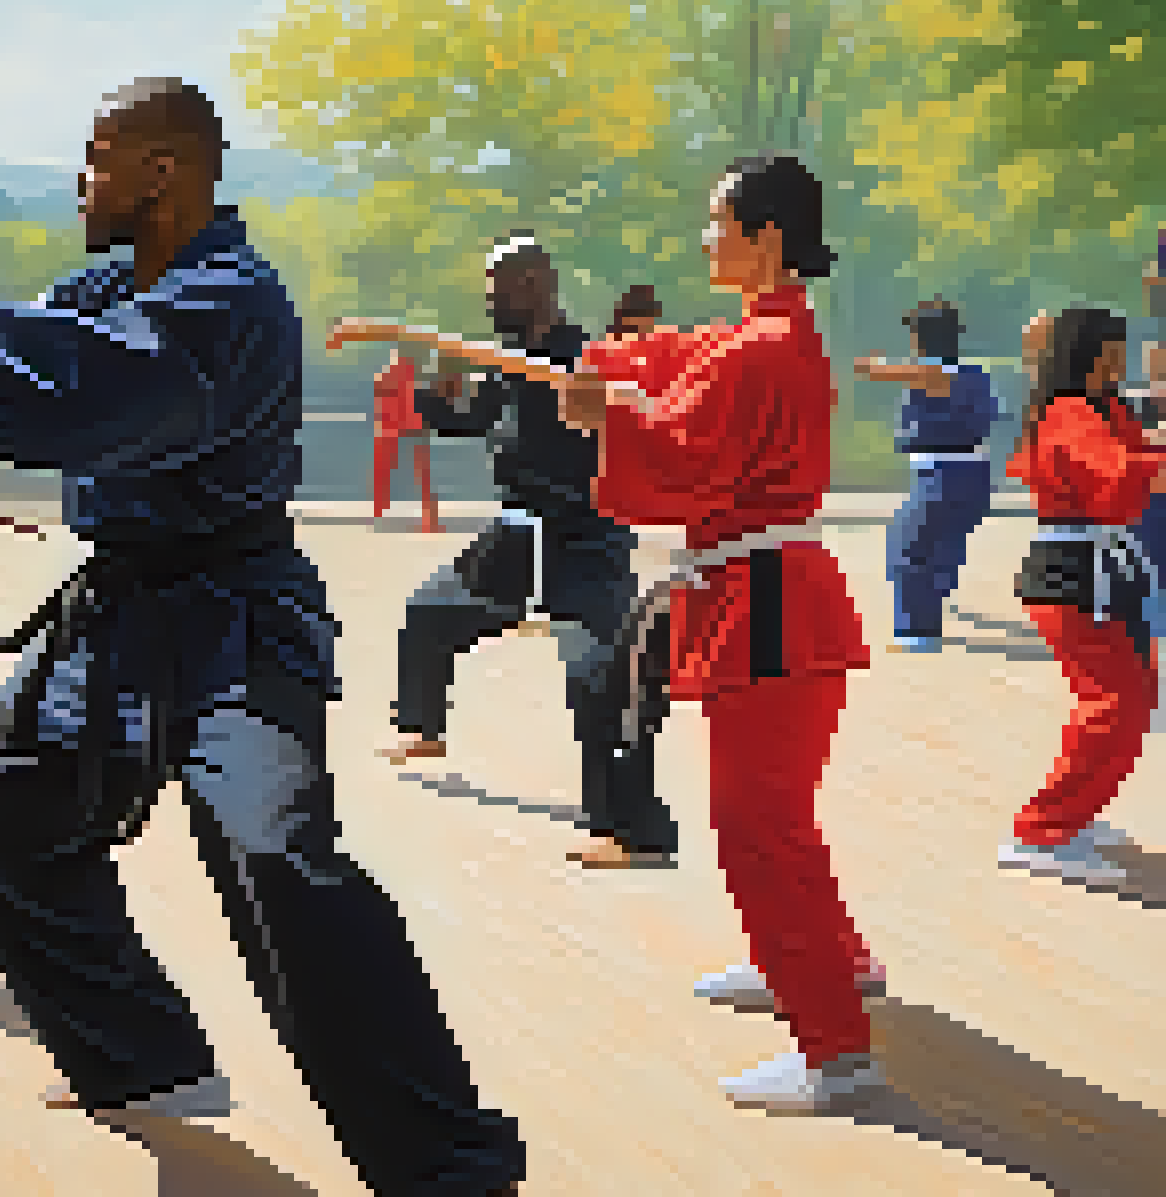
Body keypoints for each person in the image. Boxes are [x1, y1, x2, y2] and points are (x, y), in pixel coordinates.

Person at [0, 79, 524, 1195]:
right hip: (117, 612)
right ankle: (145, 1058)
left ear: (161, 172)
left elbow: (116, 393)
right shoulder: (107, 283)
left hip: (236, 619)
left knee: (275, 853)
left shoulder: (236, 298)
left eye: (96, 158)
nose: (81, 182)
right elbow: (43, 375)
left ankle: (451, 1167)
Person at [562, 154, 887, 1113]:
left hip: (769, 607)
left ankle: (834, 1049)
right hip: (767, 594)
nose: (706, 238)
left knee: (757, 822)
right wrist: (611, 367)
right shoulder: (764, 335)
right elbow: (675, 360)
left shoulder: (761, 352)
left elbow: (681, 451)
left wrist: (603, 415)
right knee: (778, 814)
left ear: (765, 238)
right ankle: (827, 962)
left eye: (718, 222)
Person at [332, 231, 667, 869]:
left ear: (536, 282)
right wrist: (431, 398)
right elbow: (474, 420)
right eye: (487, 283)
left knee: (601, 678)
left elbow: (626, 423)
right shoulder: (502, 358)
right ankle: (422, 729)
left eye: (499, 283)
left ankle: (629, 829)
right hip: (513, 536)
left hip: (584, 536)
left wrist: (594, 401)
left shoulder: (587, 357)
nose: (488, 295)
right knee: (431, 614)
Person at [999, 306, 1152, 886]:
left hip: (1101, 568)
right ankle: (1041, 830)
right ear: (1087, 352)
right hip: (1073, 571)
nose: (1121, 358)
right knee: (1114, 700)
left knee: (1129, 696)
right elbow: (1119, 473)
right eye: (1112, 348)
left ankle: (1074, 815)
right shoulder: (1069, 412)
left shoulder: (1104, 407)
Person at [854, 298, 997, 653]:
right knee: (941, 548)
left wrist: (872, 365)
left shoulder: (941, 374)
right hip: (969, 475)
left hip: (946, 475)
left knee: (909, 550)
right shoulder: (974, 373)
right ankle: (930, 613)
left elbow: (897, 372)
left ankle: (917, 631)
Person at [369, 345, 441, 531]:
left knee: (389, 470)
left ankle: (380, 512)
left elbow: (381, 402)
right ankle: (428, 519)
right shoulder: (413, 375)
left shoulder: (389, 374)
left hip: (398, 426)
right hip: (405, 425)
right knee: (421, 473)